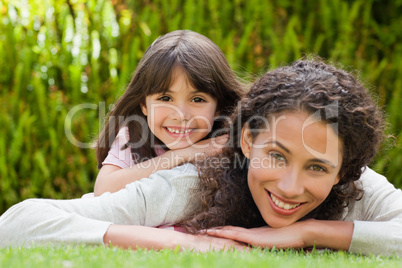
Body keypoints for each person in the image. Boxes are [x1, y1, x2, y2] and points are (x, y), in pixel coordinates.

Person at [0, 59, 401, 256]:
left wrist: (308, 233)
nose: (290, 187)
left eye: (317, 167)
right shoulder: (195, 184)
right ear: (246, 142)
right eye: (276, 156)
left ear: (343, 170)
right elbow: (18, 223)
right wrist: (195, 247)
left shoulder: (357, 185)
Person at [92, 30, 245, 196]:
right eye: (165, 98)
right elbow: (103, 189)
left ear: (218, 108)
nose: (180, 115)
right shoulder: (133, 137)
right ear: (144, 104)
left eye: (197, 99)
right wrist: (182, 154)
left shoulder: (227, 145)